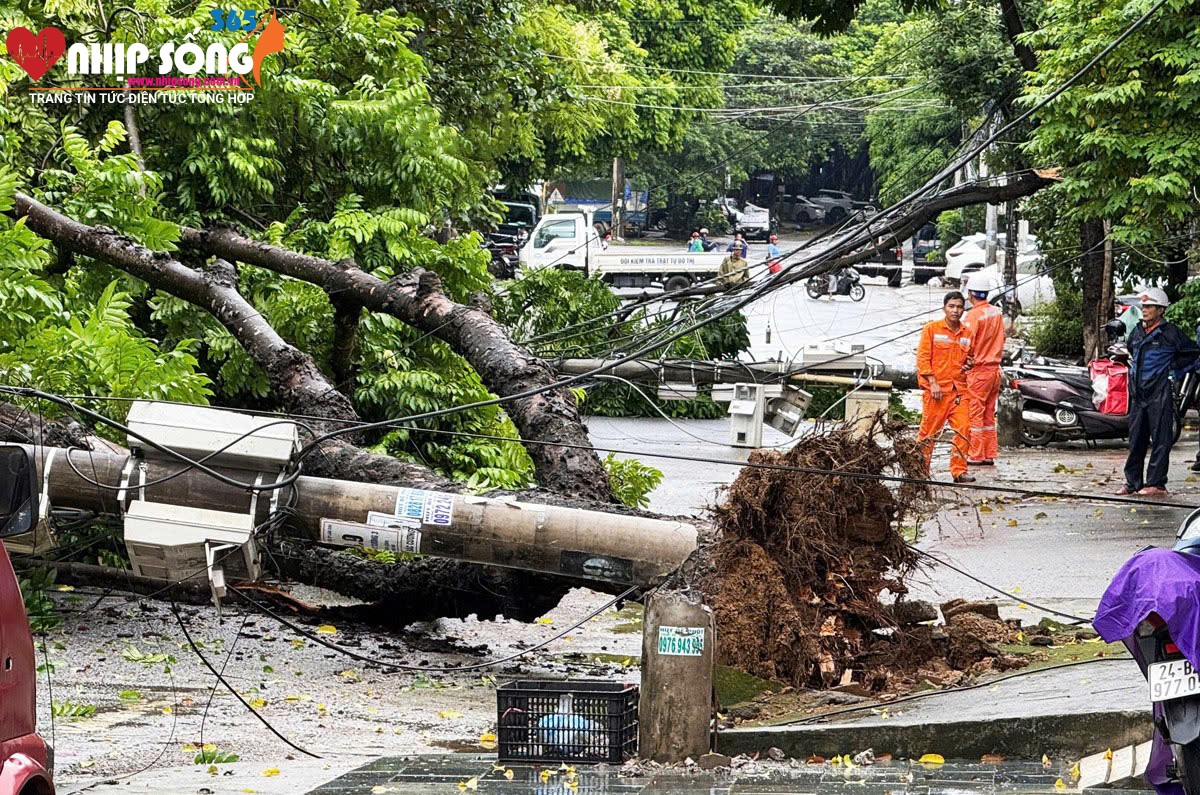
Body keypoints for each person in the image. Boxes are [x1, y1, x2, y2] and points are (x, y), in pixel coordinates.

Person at [1119, 287, 1200, 496]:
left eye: (1149, 307)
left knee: (1161, 439)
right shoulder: (1137, 331)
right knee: (1136, 439)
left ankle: (1156, 483)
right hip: (1139, 393)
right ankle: (1132, 482)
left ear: (1160, 309)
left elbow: (1192, 352)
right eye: (1144, 307)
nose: (1144, 310)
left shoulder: (1171, 333)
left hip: (1160, 392)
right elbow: (1131, 350)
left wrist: (1173, 368)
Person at [916, 291, 975, 483]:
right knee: (929, 433)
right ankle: (920, 471)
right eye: (952, 306)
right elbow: (923, 359)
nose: (955, 310)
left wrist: (969, 364)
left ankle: (959, 471)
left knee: (964, 428)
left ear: (963, 309)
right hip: (937, 393)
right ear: (944, 308)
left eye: (959, 307)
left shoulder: (967, 333)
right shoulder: (931, 329)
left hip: (959, 391)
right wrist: (932, 383)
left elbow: (968, 359)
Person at [961, 272, 1006, 466]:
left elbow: (965, 344)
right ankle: (989, 453)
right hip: (995, 370)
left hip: (979, 371)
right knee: (988, 413)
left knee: (975, 414)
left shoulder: (973, 316)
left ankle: (975, 454)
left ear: (970, 294)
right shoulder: (996, 313)